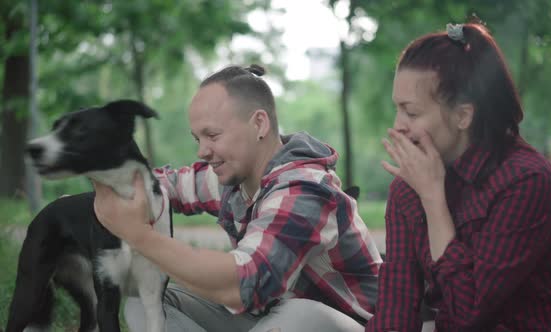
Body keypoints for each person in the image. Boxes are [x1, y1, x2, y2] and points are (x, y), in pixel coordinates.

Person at [92, 64, 382, 332]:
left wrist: (139, 236)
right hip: (270, 315)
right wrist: (105, 186)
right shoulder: (234, 177)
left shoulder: (305, 188)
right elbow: (162, 185)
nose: (202, 151)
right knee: (145, 300)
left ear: (259, 124)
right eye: (197, 139)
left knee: (298, 315)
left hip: (350, 324)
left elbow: (245, 283)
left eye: (212, 135)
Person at [365, 20, 551, 332]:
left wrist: (434, 201)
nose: (397, 125)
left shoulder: (525, 181)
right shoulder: (407, 189)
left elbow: (468, 316)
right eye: (397, 109)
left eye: (411, 112)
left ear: (463, 115)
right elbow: (396, 310)